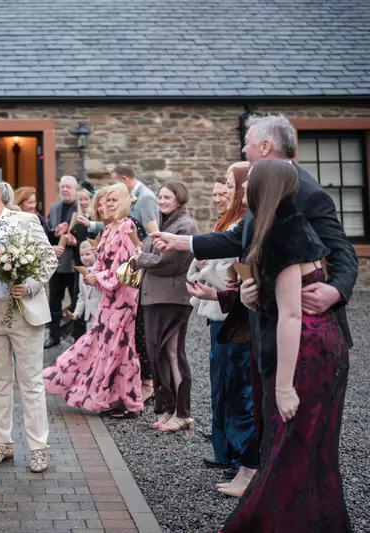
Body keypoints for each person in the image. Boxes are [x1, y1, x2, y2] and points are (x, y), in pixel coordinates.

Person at [150, 115, 357, 443]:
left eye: (247, 142)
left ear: (265, 146)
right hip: (265, 321)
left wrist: (334, 290)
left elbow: (343, 253)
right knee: (265, 406)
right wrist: (182, 242)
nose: (242, 148)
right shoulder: (264, 187)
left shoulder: (308, 192)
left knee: (298, 425)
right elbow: (238, 239)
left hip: (305, 324)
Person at [220, 159, 351, 532]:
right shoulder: (276, 227)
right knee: (300, 450)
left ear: (265, 189)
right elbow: (274, 299)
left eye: (247, 185)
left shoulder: (284, 233)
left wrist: (284, 388)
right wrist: (247, 297)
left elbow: (292, 316)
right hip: (312, 346)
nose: (241, 190)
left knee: (292, 449)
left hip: (309, 354)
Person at [0, 179, 58, 473]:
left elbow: (48, 257)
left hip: (24, 310)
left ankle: (38, 449)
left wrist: (31, 285)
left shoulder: (25, 219)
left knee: (31, 383)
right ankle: (2, 444)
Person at [187, 162, 258, 497]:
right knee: (222, 388)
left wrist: (214, 283)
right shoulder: (229, 221)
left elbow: (240, 274)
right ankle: (228, 452)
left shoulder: (247, 225)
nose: (227, 193)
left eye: (230, 186)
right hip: (219, 310)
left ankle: (245, 460)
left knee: (240, 391)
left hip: (236, 316)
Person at [44, 183, 142, 416]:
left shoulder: (127, 226)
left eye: (113, 200)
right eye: (106, 200)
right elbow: (101, 261)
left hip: (123, 298)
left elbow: (122, 268)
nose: (108, 204)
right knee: (105, 345)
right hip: (107, 298)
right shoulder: (109, 229)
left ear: (126, 201)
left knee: (120, 349)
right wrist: (92, 275)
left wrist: (96, 277)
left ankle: (128, 401)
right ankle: (114, 397)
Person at [134, 182, 197, 432]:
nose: (161, 200)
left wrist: (140, 258)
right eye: (159, 196)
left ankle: (183, 413)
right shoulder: (161, 225)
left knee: (172, 353)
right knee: (157, 354)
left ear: (179, 199)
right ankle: (168, 409)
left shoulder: (186, 226)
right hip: (154, 298)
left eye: (167, 197)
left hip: (172, 300)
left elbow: (169, 262)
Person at [114, 165, 159, 401]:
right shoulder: (123, 212)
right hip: (125, 280)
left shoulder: (144, 203)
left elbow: (152, 238)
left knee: (141, 331)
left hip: (139, 277)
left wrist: (138, 249)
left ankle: (148, 381)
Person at [45, 175, 81, 348]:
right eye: (62, 187)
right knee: (53, 303)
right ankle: (54, 336)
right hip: (56, 265)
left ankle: (76, 337)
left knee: (76, 303)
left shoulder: (81, 208)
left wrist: (75, 240)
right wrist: (56, 233)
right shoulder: (53, 208)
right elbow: (47, 235)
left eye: (69, 187)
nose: (65, 190)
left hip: (75, 264)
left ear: (76, 189)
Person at [70, 240, 101, 330]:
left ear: (96, 254)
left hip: (101, 314)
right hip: (89, 316)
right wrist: (77, 312)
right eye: (82, 255)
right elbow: (82, 296)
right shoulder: (81, 273)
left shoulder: (100, 270)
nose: (84, 258)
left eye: (87, 254)